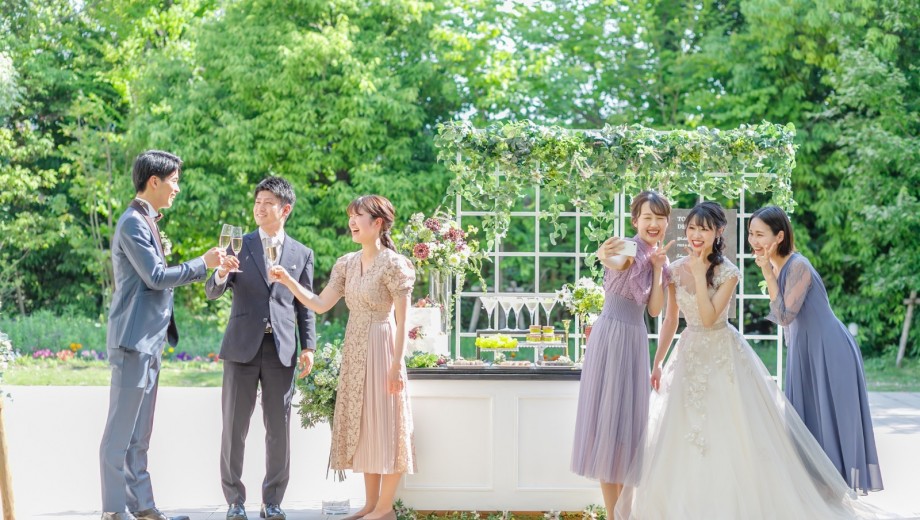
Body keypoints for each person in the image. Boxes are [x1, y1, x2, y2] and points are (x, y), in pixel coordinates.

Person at [616, 201, 884, 519]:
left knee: (733, 431)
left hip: (724, 354)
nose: (696, 235)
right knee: (681, 432)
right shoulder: (674, 269)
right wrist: (658, 361)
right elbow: (670, 319)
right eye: (692, 228)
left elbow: (710, 318)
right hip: (689, 354)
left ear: (719, 232)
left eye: (704, 229)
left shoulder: (730, 272)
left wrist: (700, 275)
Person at [269, 195, 415, 520]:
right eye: (350, 215)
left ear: (378, 223)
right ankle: (370, 506)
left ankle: (385, 509)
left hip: (383, 347)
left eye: (358, 216)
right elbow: (320, 304)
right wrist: (288, 280)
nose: (351, 221)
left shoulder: (395, 264)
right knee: (365, 425)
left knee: (388, 425)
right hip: (355, 347)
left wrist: (396, 366)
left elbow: (404, 321)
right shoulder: (346, 263)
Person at [100, 150, 224, 520]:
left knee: (140, 434)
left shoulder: (147, 220)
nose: (177, 188)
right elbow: (155, 277)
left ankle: (143, 507)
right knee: (119, 435)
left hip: (150, 341)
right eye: (174, 181)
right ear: (154, 181)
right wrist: (203, 264)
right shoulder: (132, 223)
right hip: (133, 340)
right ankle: (113, 511)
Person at [749, 205, 882, 493]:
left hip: (829, 349)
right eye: (751, 234)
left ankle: (833, 486)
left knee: (831, 417)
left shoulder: (798, 266)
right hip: (805, 349)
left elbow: (784, 316)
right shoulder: (779, 266)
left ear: (779, 236)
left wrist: (767, 273)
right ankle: (816, 488)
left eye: (760, 234)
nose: (754, 241)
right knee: (807, 418)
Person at [205, 177, 316, 520]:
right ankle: (235, 501)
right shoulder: (239, 245)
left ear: (285, 209)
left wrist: (309, 347)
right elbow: (212, 291)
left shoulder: (302, 253)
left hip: (282, 350)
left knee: (279, 428)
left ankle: (273, 501)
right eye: (257, 202)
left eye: (268, 202)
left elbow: (305, 305)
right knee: (233, 427)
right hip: (241, 347)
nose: (260, 208)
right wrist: (221, 273)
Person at [570, 190, 673, 513]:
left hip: (635, 338)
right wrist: (603, 252)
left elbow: (654, 310)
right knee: (607, 427)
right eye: (647, 217)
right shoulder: (628, 247)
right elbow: (612, 258)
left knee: (626, 433)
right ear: (635, 221)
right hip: (611, 336)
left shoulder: (661, 259)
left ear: (667, 222)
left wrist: (658, 268)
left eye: (659, 218)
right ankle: (615, 516)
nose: (653, 224)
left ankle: (621, 513)